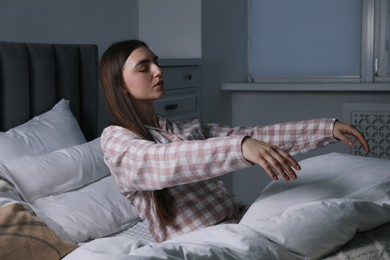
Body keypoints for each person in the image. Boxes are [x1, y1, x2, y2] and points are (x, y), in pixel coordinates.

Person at [99, 39, 370, 243]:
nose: (158, 71)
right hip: (201, 243)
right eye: (144, 68)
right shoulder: (116, 139)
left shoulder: (184, 127)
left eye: (156, 62)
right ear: (120, 84)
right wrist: (240, 147)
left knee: (337, 207)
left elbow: (257, 137)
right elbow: (163, 161)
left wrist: (325, 128)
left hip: (240, 222)